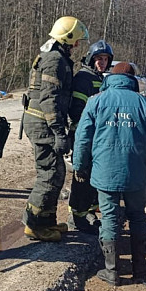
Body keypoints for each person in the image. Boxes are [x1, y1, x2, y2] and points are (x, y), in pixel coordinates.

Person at [72, 62, 146, 286]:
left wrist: (79, 166)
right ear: (132, 79)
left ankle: (111, 272)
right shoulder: (143, 103)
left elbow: (82, 138)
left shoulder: (96, 101)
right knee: (137, 217)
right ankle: (139, 268)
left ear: (111, 77)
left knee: (109, 219)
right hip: (136, 172)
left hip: (105, 171)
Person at [22, 16, 89, 242]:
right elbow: (49, 99)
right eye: (76, 41)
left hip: (43, 123)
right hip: (43, 124)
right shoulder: (55, 60)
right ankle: (33, 224)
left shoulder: (56, 56)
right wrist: (59, 132)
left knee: (57, 172)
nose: (78, 45)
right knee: (49, 174)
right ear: (67, 38)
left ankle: (47, 221)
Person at [66, 40, 113, 235]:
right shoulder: (84, 78)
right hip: (83, 135)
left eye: (105, 59)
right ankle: (76, 218)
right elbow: (77, 110)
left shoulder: (99, 78)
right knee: (82, 177)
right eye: (98, 59)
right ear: (90, 59)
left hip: (97, 136)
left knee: (94, 176)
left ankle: (89, 212)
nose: (102, 62)